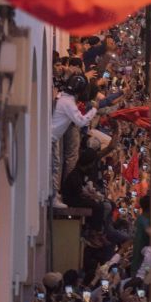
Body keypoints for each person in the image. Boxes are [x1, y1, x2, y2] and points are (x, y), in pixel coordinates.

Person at [50, 73, 97, 207]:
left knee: (55, 165)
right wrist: (94, 110)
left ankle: (53, 194)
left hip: (53, 137)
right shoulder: (69, 103)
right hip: (52, 138)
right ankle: (53, 197)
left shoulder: (62, 97)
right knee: (54, 166)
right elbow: (81, 121)